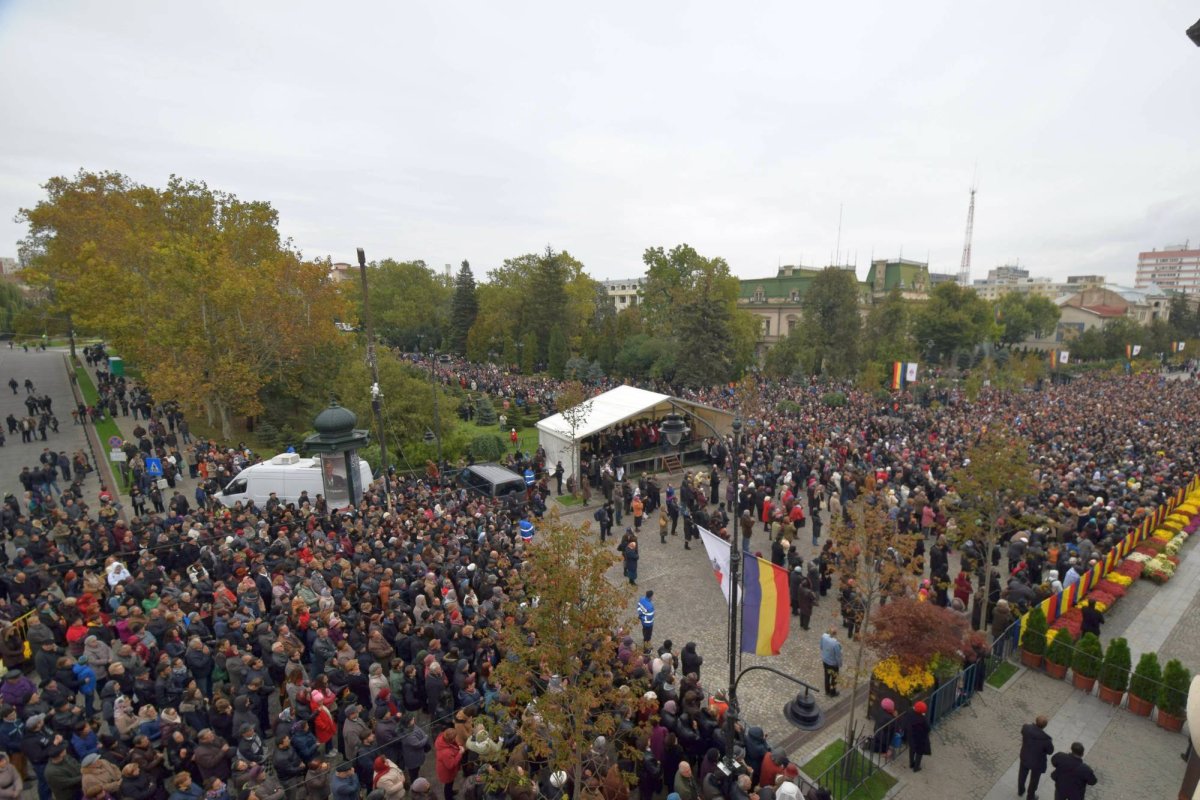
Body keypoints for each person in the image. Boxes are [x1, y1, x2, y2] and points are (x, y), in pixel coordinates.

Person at [1018, 715, 1054, 800]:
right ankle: (1030, 797)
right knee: (1034, 781)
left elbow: (1022, 732)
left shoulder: (1026, 728)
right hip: (1037, 763)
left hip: (1025, 756)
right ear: (1045, 726)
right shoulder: (1046, 740)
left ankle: (1020, 790)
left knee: (1022, 775)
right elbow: (1050, 751)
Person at [906, 701, 931, 772]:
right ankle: (916, 767)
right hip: (919, 738)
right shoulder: (922, 719)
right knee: (919, 752)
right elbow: (928, 728)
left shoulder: (910, 713)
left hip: (911, 735)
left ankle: (911, 763)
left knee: (912, 749)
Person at [820, 628, 842, 697]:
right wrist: (840, 664)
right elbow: (838, 656)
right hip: (833, 664)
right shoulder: (835, 644)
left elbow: (821, 647)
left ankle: (827, 691)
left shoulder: (823, 637)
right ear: (835, 634)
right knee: (834, 678)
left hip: (825, 661)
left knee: (826, 676)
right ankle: (833, 692)